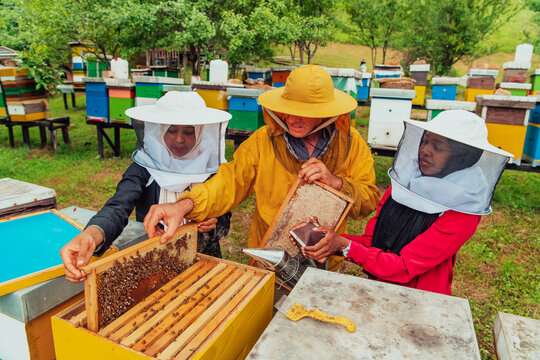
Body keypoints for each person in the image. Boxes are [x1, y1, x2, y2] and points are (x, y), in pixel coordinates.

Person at [143, 65, 381, 271]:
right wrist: (183, 206)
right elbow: (228, 182)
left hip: (324, 260)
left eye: (304, 113)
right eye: (288, 109)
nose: (291, 118)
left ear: (325, 114)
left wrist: (335, 182)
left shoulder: (352, 144)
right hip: (269, 256)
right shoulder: (262, 141)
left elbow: (368, 201)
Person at [291, 110, 513, 295]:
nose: (425, 150)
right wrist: (324, 238)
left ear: (461, 158)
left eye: (438, 147)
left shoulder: (463, 211)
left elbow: (405, 266)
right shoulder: (403, 186)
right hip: (377, 287)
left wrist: (344, 246)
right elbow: (373, 242)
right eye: (425, 141)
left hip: (422, 300)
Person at [60, 91, 232, 282]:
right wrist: (93, 234)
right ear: (159, 130)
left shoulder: (212, 169)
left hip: (204, 258)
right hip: (155, 255)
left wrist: (214, 224)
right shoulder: (145, 166)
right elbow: (118, 206)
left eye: (188, 131)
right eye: (172, 130)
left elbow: (225, 215)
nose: (179, 139)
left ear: (200, 132)